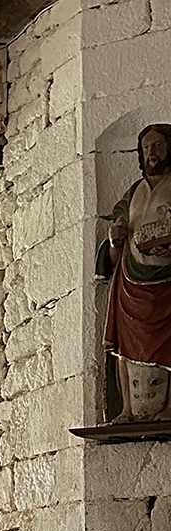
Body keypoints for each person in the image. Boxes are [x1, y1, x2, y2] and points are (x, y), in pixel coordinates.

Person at [104, 123, 171, 421]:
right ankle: (128, 410)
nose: (151, 153)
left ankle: (169, 407)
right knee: (124, 343)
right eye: (146, 148)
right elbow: (115, 251)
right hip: (131, 282)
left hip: (167, 283)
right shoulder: (132, 194)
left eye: (157, 146)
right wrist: (116, 238)